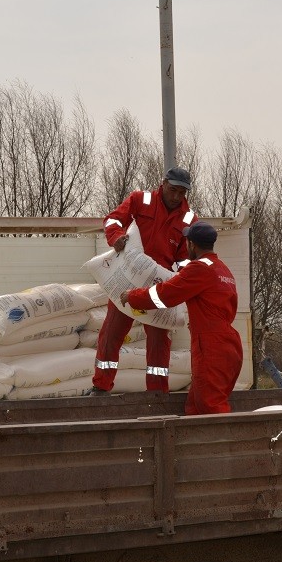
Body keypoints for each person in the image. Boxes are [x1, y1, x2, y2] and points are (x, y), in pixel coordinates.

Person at [89, 166, 197, 395]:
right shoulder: (140, 200)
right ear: (163, 183)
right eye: (173, 190)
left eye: (182, 193)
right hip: (128, 280)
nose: (177, 197)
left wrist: (182, 280)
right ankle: (101, 386)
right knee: (110, 334)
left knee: (159, 341)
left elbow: (184, 257)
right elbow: (112, 221)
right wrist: (116, 237)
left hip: (159, 287)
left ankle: (157, 393)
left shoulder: (189, 219)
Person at [121, 222, 242, 415]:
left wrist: (133, 297)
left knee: (211, 409)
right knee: (195, 407)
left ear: (192, 244)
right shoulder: (223, 269)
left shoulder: (199, 269)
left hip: (211, 346)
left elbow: (165, 295)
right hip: (229, 345)